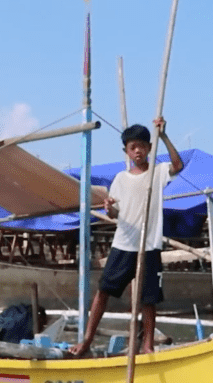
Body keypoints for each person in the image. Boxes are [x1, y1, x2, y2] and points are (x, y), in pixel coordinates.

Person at [69, 117, 184, 358]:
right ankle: (87, 340)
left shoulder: (157, 172)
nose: (138, 150)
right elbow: (114, 213)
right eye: (133, 147)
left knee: (148, 299)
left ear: (149, 148)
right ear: (127, 151)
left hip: (148, 245)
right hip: (124, 244)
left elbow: (178, 165)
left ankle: (147, 345)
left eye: (142, 145)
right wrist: (108, 207)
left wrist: (163, 136)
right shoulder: (120, 179)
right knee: (103, 291)